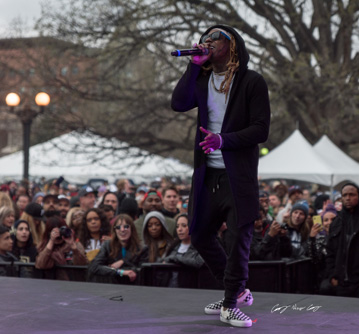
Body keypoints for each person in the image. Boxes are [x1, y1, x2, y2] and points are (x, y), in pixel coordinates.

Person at [171, 24, 270, 327]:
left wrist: (223, 141)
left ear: (233, 45)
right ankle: (236, 291)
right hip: (207, 173)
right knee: (199, 233)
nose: (208, 42)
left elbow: (260, 130)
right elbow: (178, 103)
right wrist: (192, 66)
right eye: (205, 38)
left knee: (238, 237)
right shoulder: (201, 80)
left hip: (236, 175)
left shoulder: (251, 82)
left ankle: (230, 304)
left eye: (216, 38)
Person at [88, 214, 148, 284]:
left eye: (126, 226)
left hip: (134, 287)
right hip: (112, 287)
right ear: (114, 230)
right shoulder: (107, 245)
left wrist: (123, 262)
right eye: (118, 227)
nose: (122, 230)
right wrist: (120, 272)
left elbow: (142, 271)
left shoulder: (142, 248)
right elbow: (94, 266)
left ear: (132, 229)